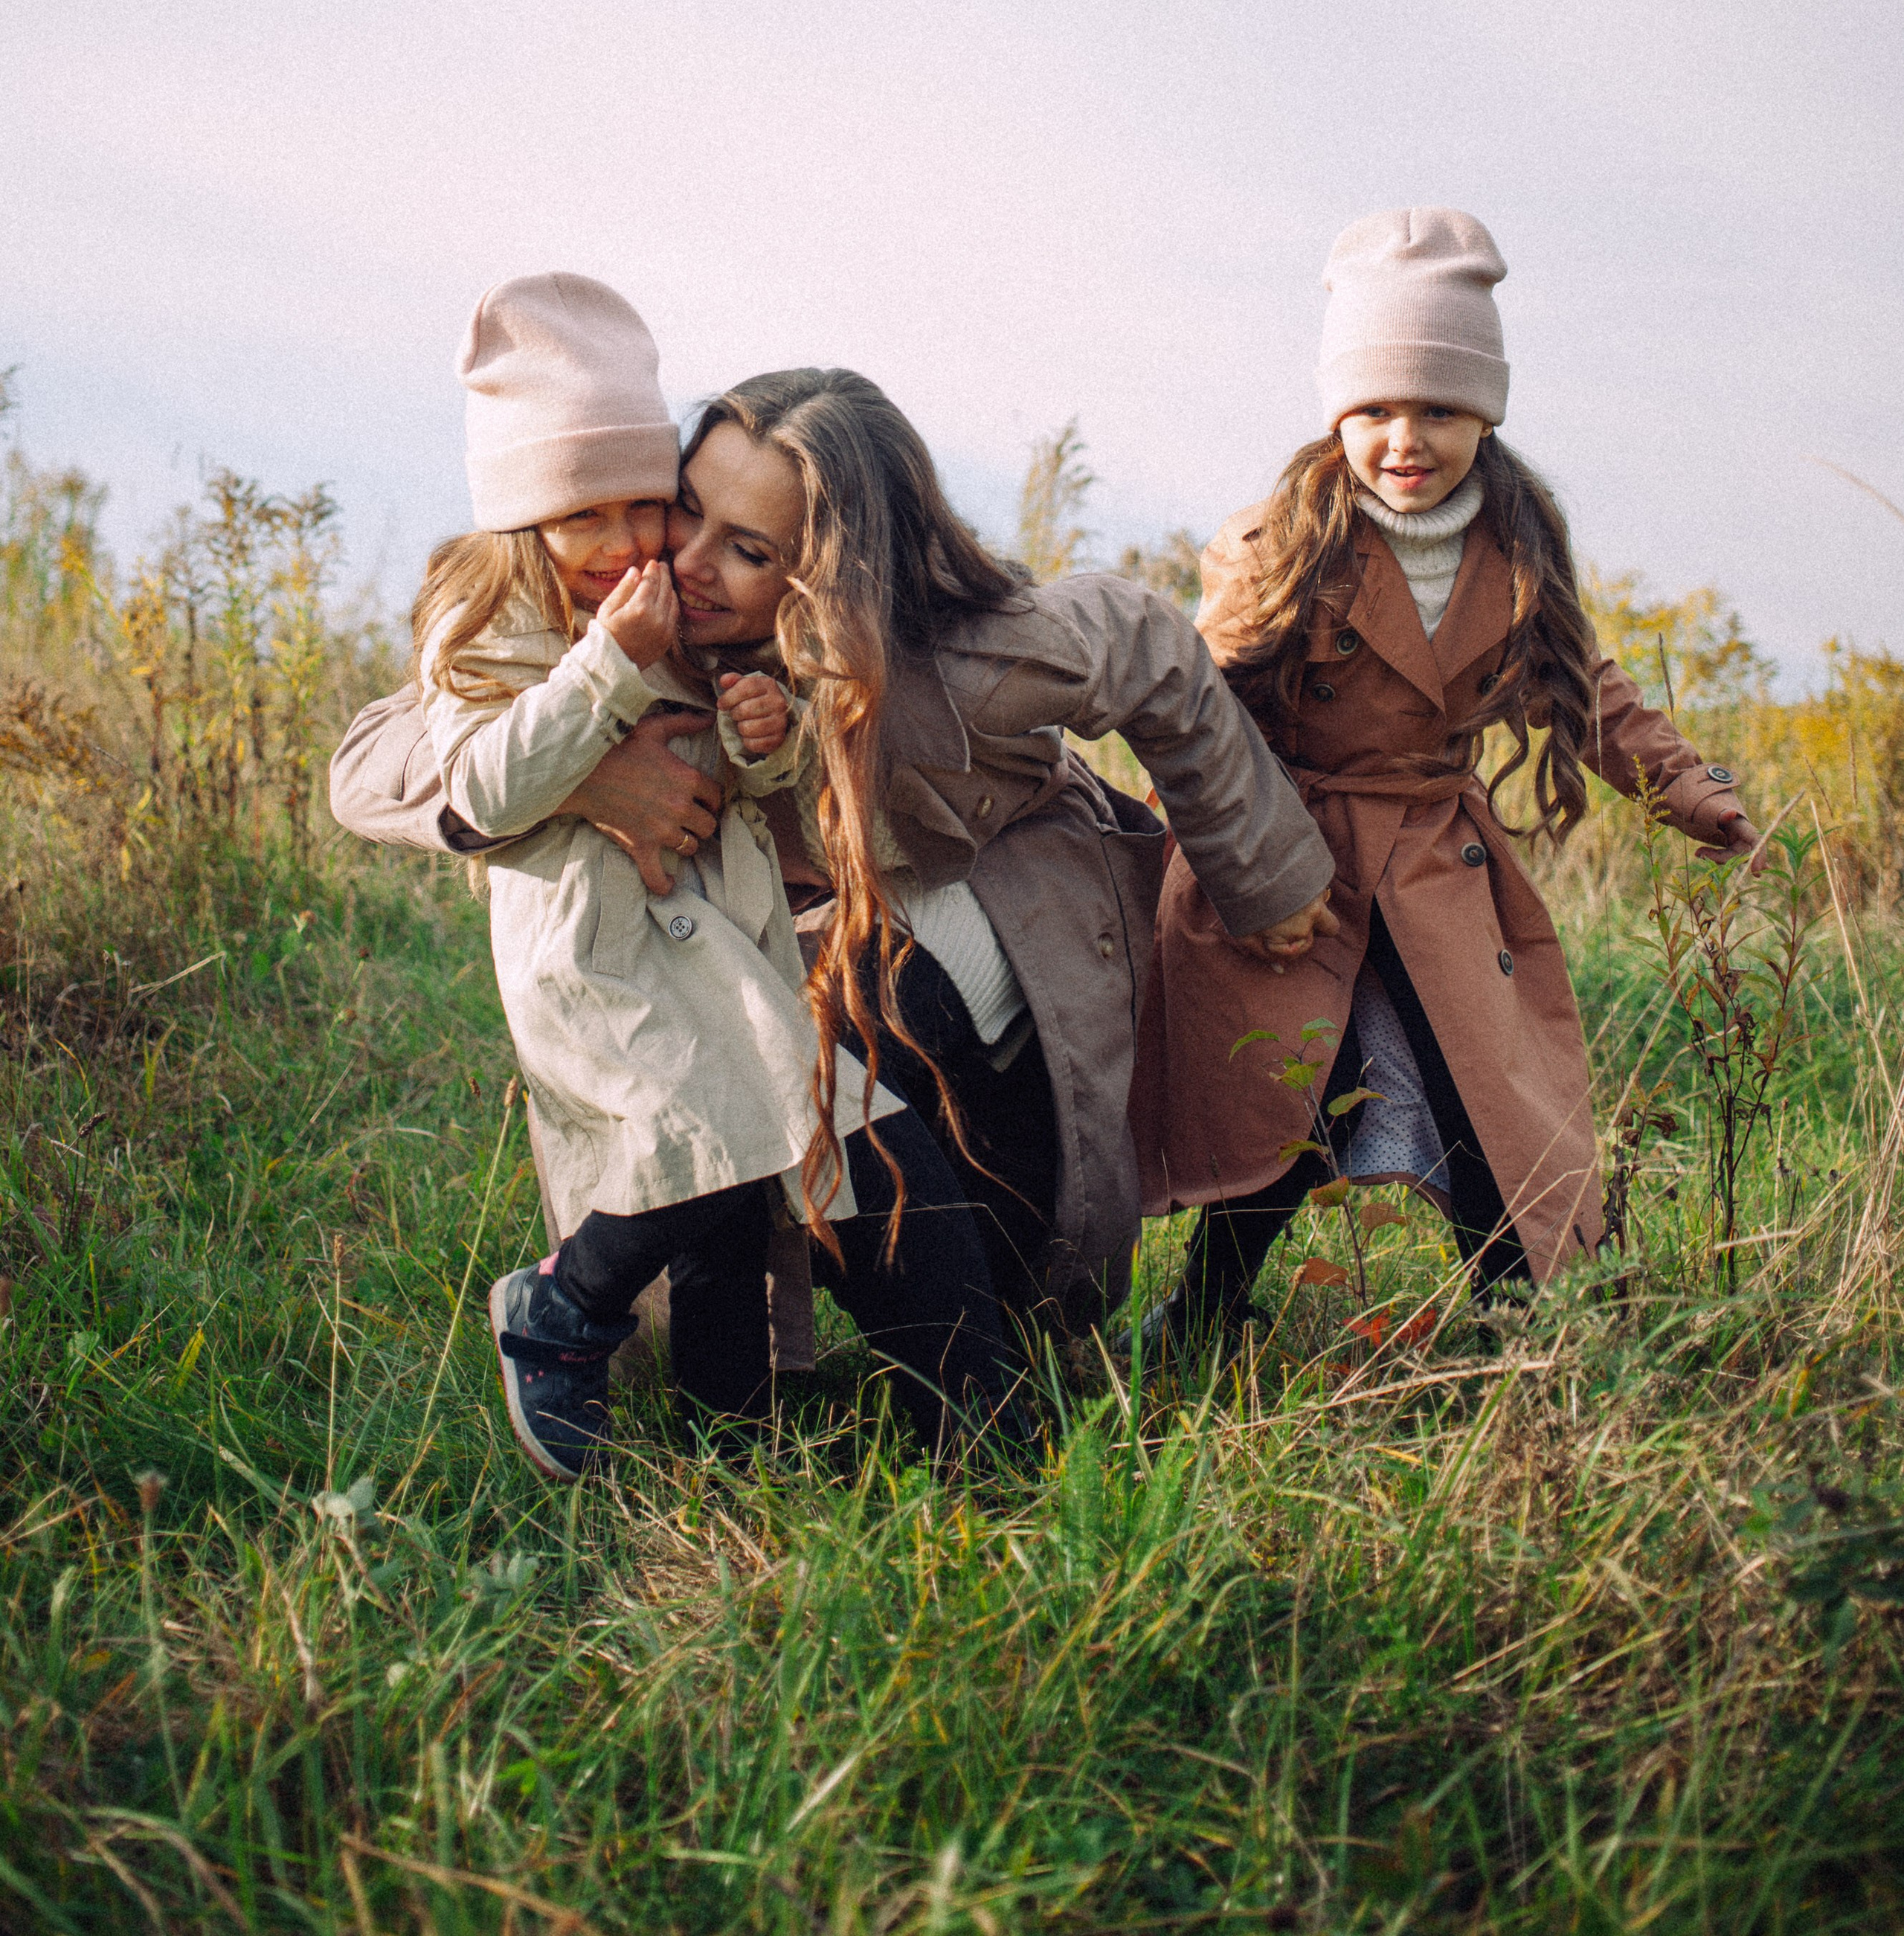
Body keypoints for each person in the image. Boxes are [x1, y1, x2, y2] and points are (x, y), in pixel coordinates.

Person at [332, 364, 1336, 1366]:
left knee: (1017, 1287)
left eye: (749, 549)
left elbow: (1150, 642)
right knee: (777, 1066)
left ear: (831, 572)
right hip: (809, 945)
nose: (685, 561)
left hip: (1004, 942)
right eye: (687, 509)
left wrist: (1264, 876)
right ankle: (778, 1372)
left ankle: (995, 1346)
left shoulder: (971, 657)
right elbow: (372, 761)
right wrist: (590, 782)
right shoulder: (631, 627)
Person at [414, 273, 1021, 1482]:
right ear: (524, 520)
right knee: (717, 1155)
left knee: (796, 1175)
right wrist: (601, 741)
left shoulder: (686, 619)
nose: (645, 548)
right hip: (610, 964)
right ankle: (570, 1311)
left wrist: (766, 740)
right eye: (645, 511)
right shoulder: (530, 622)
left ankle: (812, 1439)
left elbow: (740, 781)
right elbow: (456, 776)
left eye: (651, 508)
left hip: (739, 957)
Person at [1132, 208, 1760, 1354]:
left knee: (1482, 1095)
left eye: (1439, 409)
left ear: (1486, 415)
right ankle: (1203, 1314)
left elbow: (1588, 690)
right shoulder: (1279, 542)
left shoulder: (1515, 551)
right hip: (1289, 860)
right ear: (1338, 415)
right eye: (1375, 409)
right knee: (1291, 1093)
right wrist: (1251, 868)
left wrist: (1692, 790)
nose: (1405, 440)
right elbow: (1196, 720)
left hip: (1431, 866)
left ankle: (1525, 1327)